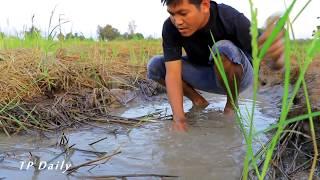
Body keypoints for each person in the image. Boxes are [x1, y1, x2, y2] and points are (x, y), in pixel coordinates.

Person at [147, 0, 285, 131]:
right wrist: (179, 119)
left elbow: (272, 63)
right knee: (155, 65)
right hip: (204, 74)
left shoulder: (231, 18)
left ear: (205, 5)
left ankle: (231, 105)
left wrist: (276, 57)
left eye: (183, 13)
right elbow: (173, 74)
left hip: (240, 76)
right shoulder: (170, 27)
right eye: (172, 14)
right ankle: (198, 100)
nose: (177, 22)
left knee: (223, 48)